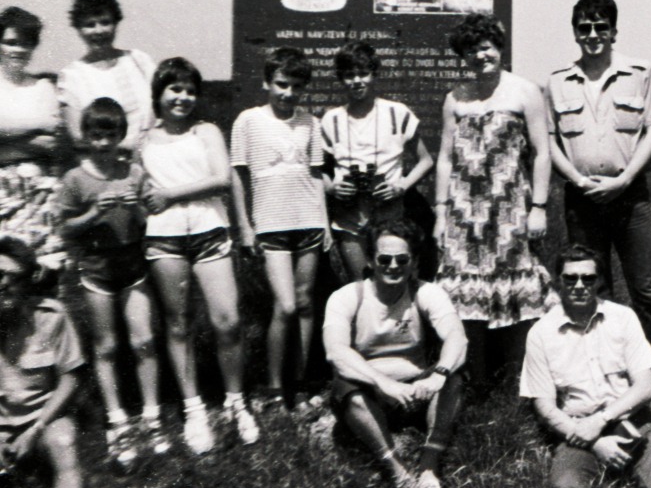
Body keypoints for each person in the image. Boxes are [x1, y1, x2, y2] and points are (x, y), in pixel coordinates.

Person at [545, 0, 651, 402]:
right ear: (574, 32)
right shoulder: (556, 81)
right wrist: (577, 180)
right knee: (592, 287)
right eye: (584, 28)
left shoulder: (641, 72)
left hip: (630, 197)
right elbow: (549, 140)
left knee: (646, 290)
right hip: (582, 199)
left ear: (614, 31)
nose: (593, 35)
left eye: (601, 27)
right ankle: (605, 377)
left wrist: (623, 180)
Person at [520, 245, 651, 488]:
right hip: (577, 429)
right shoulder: (541, 334)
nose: (579, 286)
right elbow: (544, 406)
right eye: (570, 279)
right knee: (565, 485)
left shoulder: (622, 318)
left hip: (633, 420)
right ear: (557, 281)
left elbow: (645, 386)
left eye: (587, 278)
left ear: (598, 281)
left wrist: (602, 421)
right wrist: (595, 441)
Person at [141, 57, 256, 451]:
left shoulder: (206, 131)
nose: (183, 98)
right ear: (158, 94)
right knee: (178, 324)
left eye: (190, 90)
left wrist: (168, 194)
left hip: (209, 230)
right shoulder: (143, 139)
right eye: (175, 89)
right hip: (164, 238)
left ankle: (236, 403)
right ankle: (193, 409)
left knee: (228, 320)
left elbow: (222, 179)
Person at [433, 14, 554, 389]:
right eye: (471, 51)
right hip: (463, 213)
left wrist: (539, 207)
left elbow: (542, 153)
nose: (480, 56)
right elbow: (445, 158)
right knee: (468, 296)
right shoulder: (456, 98)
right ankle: (476, 378)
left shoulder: (525, 92)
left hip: (510, 210)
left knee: (518, 290)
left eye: (485, 47)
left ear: (498, 48)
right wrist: (440, 213)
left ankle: (519, 379)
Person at [322, 219, 466, 488]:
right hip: (373, 392)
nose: (393, 266)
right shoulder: (347, 297)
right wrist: (383, 383)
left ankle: (428, 469)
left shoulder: (426, 292)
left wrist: (437, 374)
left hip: (417, 392)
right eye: (384, 259)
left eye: (402, 259)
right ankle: (398, 473)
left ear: (413, 262)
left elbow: (457, 338)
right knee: (347, 387)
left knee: (455, 378)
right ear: (371, 261)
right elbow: (336, 352)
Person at [52, 98, 164, 468]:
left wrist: (136, 208)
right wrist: (94, 212)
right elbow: (64, 227)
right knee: (106, 346)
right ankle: (117, 420)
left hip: (132, 261)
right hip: (97, 265)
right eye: (96, 136)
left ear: (121, 136)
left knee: (144, 339)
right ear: (85, 137)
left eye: (110, 136)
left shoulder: (131, 171)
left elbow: (151, 217)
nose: (103, 143)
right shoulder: (75, 178)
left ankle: (151, 416)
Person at [230, 46, 329, 404]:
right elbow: (238, 175)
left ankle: (299, 386)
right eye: (281, 84)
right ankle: (273, 387)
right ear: (267, 82)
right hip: (270, 224)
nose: (288, 93)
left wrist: (325, 224)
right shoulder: (248, 121)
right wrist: (244, 225)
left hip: (309, 222)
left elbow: (316, 175)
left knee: (304, 304)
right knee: (284, 306)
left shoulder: (310, 123)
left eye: (296, 86)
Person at [320, 42, 433, 284]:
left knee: (395, 284)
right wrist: (331, 187)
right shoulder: (332, 120)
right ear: (341, 79)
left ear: (375, 74)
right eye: (349, 75)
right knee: (361, 286)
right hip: (349, 220)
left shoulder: (396, 113)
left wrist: (401, 186)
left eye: (363, 73)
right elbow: (318, 171)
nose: (357, 81)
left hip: (390, 217)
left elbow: (426, 161)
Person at [0, 238, 86, 488]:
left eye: (15, 279)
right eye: (0, 275)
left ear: (28, 282)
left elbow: (71, 378)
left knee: (64, 442)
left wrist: (36, 429)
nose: (5, 285)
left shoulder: (50, 316)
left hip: (43, 417)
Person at [0, 7, 66, 274]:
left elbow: (52, 143)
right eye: (11, 42)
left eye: (26, 43)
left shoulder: (43, 88)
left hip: (39, 193)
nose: (19, 50)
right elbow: (42, 136)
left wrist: (6, 143)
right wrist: (35, 129)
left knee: (40, 275)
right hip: (1, 191)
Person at [57, 0, 157, 151]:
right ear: (78, 29)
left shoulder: (140, 60)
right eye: (89, 25)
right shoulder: (72, 76)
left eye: (105, 22)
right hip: (108, 164)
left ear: (116, 23)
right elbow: (78, 137)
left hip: (152, 157)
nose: (98, 31)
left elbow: (161, 110)